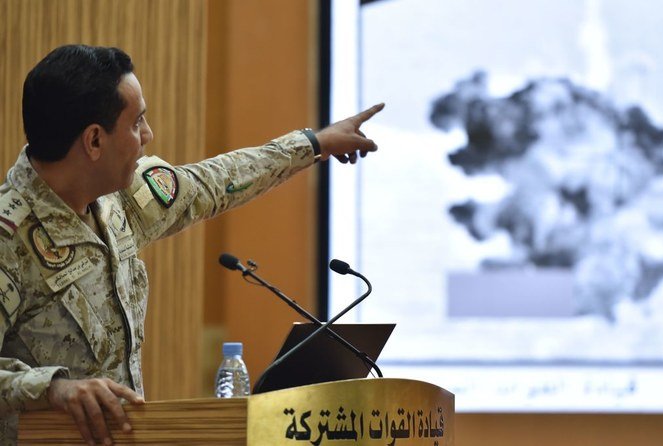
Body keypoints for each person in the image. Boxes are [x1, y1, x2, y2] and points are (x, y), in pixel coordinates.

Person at [0, 44, 383, 445]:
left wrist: (313, 144)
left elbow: (213, 182)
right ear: (94, 141)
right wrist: (51, 389)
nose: (148, 136)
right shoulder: (9, 239)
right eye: (137, 123)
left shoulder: (118, 203)